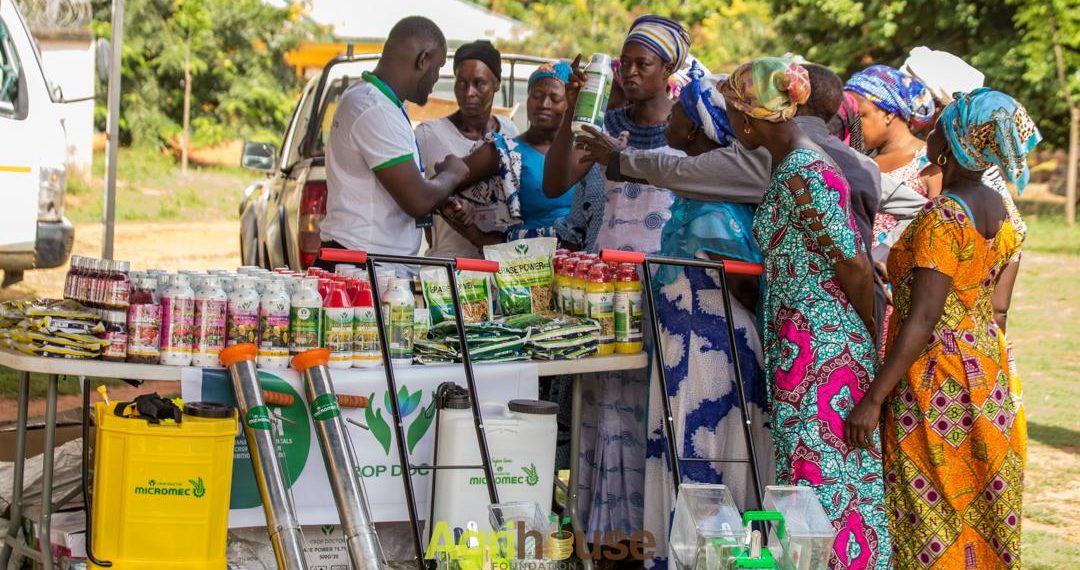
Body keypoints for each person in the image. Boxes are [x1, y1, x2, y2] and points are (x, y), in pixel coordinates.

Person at [846, 89, 1039, 569]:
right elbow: (997, 309)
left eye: (937, 127)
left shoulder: (944, 219)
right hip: (989, 375)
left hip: (936, 382)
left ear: (950, 146)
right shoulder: (1002, 212)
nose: (927, 131)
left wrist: (873, 399)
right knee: (981, 506)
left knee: (930, 511)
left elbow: (924, 319)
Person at [721, 57, 890, 569]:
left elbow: (855, 266)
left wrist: (865, 341)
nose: (727, 123)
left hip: (824, 353)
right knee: (809, 481)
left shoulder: (805, 170)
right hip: (805, 348)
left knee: (824, 484)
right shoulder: (792, 164)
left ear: (750, 119)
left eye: (731, 113)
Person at [544, 13, 690, 539]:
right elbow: (558, 179)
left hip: (665, 286)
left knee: (653, 410)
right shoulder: (607, 123)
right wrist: (571, 116)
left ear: (668, 68)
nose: (629, 73)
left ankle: (653, 535)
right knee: (604, 410)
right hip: (607, 289)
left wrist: (621, 157)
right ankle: (606, 539)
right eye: (624, 62)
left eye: (641, 64)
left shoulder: (688, 127)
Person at [640, 65, 774, 566]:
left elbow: (743, 284)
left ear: (694, 128)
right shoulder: (700, 194)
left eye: (679, 108)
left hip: (709, 347)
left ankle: (705, 558)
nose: (669, 113)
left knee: (701, 449)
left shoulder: (715, 209)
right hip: (685, 339)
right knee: (681, 445)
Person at [317, 16, 468, 271]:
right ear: (423, 60)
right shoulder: (374, 109)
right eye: (438, 67)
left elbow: (401, 190)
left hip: (373, 263)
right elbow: (416, 200)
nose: (436, 78)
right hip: (361, 267)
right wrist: (452, 174)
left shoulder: (379, 102)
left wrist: (440, 197)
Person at [440, 62, 579, 245]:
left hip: (581, 264)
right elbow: (439, 187)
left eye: (555, 98)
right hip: (527, 264)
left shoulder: (583, 150)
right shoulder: (505, 151)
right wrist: (477, 236)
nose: (544, 104)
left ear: (571, 103)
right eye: (536, 96)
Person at [414, 40, 518, 258]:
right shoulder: (429, 134)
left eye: (479, 83)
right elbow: (415, 198)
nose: (468, 92)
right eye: (461, 83)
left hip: (499, 267)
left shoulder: (509, 131)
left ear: (496, 84)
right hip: (447, 268)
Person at [845, 65, 940, 250]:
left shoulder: (930, 161)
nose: (852, 124)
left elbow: (938, 229)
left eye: (860, 115)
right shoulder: (862, 161)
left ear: (888, 114)